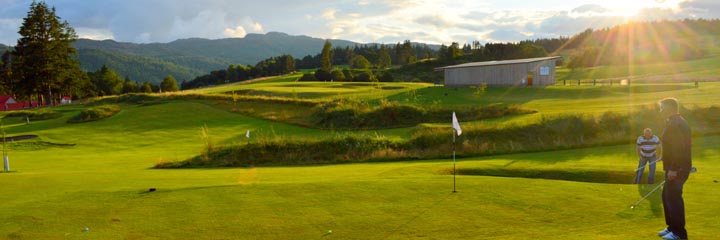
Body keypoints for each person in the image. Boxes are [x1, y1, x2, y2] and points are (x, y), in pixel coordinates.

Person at [657, 98, 692, 240]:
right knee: (666, 196)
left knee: (674, 199)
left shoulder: (677, 123)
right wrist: (664, 158)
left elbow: (679, 148)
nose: (660, 111)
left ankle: (679, 233)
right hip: (673, 166)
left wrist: (674, 168)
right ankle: (672, 228)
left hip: (678, 169)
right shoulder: (673, 122)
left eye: (662, 108)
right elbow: (671, 146)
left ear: (670, 108)